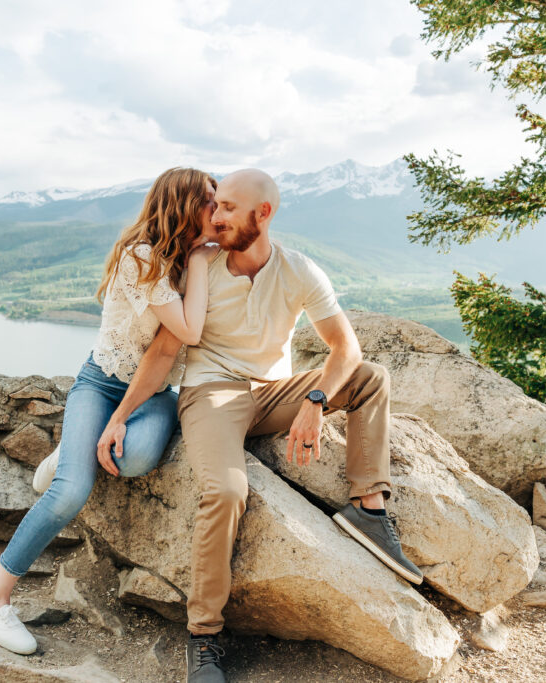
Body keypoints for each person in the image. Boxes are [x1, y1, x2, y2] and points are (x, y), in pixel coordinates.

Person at [128, 169, 424, 683]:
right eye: (214, 205)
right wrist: (120, 415)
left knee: (371, 377)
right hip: (212, 393)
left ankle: (368, 510)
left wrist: (315, 399)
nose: (215, 216)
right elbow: (167, 344)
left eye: (226, 208)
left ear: (262, 214)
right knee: (224, 489)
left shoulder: (299, 270)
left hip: (273, 393)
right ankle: (204, 639)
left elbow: (345, 350)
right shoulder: (203, 261)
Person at [0, 167, 220, 655]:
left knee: (133, 460)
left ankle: (75, 448)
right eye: (211, 200)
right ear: (186, 205)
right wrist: (199, 260)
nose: (220, 208)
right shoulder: (141, 257)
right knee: (70, 492)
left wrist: (202, 259)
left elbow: (174, 350)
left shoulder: (203, 259)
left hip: (157, 394)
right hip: (101, 384)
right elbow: (188, 331)